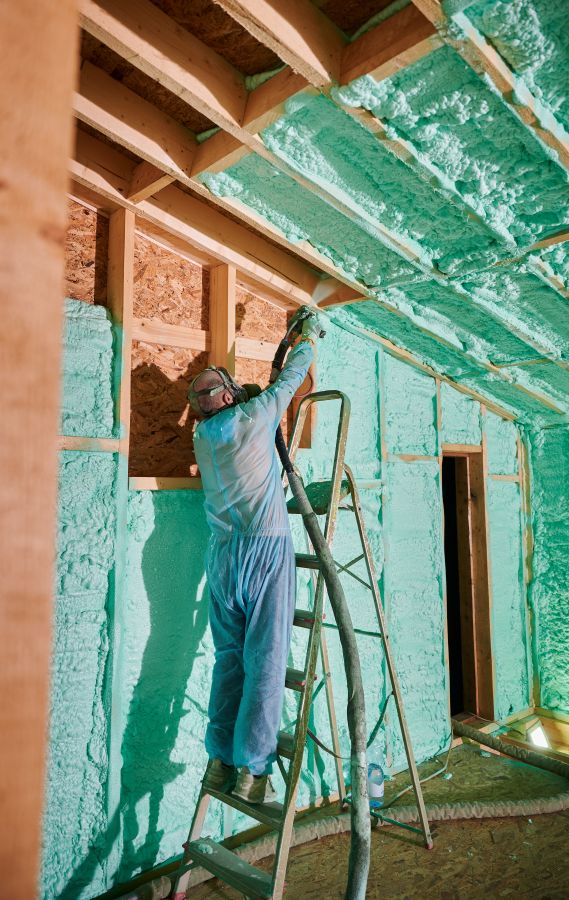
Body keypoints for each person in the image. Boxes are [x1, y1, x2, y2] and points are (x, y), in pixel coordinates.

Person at [188, 312, 323, 804]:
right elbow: (292, 377)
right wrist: (307, 338)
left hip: (222, 560)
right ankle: (254, 768)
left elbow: (230, 411)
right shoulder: (256, 415)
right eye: (227, 386)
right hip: (264, 549)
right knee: (265, 662)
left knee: (230, 662)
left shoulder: (201, 439)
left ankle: (219, 761)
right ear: (226, 396)